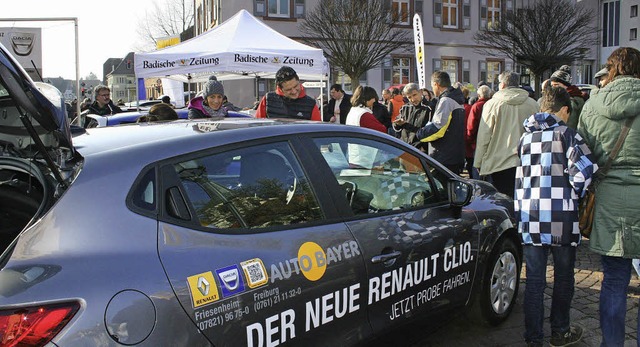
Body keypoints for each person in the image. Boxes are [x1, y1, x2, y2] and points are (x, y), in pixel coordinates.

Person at [516, 86, 597, 347]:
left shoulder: (525, 138)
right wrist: (574, 193)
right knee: (563, 278)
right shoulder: (568, 135)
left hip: (531, 215)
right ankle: (560, 332)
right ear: (564, 110)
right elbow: (583, 172)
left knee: (535, 282)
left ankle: (533, 338)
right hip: (561, 215)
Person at [577, 46, 640, 347]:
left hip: (610, 200)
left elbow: (582, 155)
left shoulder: (592, 105)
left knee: (615, 280)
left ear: (611, 70)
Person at [474, 71, 539, 197]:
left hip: (498, 163)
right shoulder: (533, 104)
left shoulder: (492, 105)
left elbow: (484, 136)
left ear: (502, 85)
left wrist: (478, 163)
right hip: (525, 161)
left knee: (501, 202)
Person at [412, 71, 466, 174]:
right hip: (455, 154)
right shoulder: (456, 98)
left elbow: (438, 128)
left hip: (444, 156)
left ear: (436, 84)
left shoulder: (446, 100)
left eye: (432, 85)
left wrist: (420, 133)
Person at [255, 66, 321, 120]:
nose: (294, 91)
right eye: (289, 89)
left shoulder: (310, 104)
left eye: (296, 86)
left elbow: (317, 131)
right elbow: (258, 126)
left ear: (299, 81)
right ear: (280, 89)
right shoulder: (268, 100)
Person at [390, 83, 431, 153]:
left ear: (420, 92)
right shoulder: (404, 108)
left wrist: (424, 147)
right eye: (409, 97)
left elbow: (430, 131)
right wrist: (398, 124)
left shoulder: (429, 108)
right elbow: (396, 127)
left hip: (421, 150)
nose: (413, 99)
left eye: (415, 95)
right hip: (405, 148)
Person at [465, 85, 491, 179]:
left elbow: (471, 125)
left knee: (477, 168)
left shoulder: (476, 106)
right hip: (492, 142)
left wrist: (469, 140)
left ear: (479, 95)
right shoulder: (494, 104)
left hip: (478, 142)